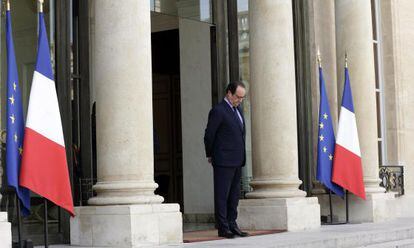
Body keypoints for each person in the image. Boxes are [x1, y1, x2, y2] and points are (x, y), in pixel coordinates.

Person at [204, 81, 249, 239]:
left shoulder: (238, 110)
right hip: (223, 160)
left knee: (234, 195)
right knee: (222, 195)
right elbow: (209, 135)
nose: (240, 100)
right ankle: (223, 227)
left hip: (237, 160)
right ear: (229, 93)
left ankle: (232, 224)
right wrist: (210, 154)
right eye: (238, 97)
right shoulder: (218, 110)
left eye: (242, 98)